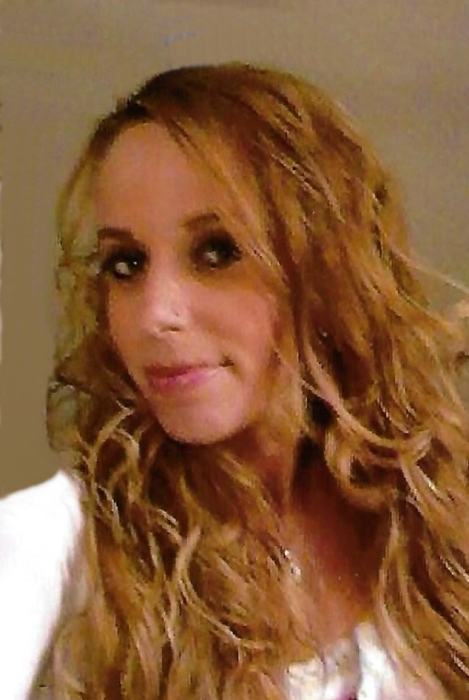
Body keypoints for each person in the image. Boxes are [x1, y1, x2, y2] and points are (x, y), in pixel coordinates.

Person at [1, 61, 468, 700]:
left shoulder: (436, 518)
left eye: (216, 252)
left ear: (326, 268)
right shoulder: (59, 539)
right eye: (126, 264)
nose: (156, 313)